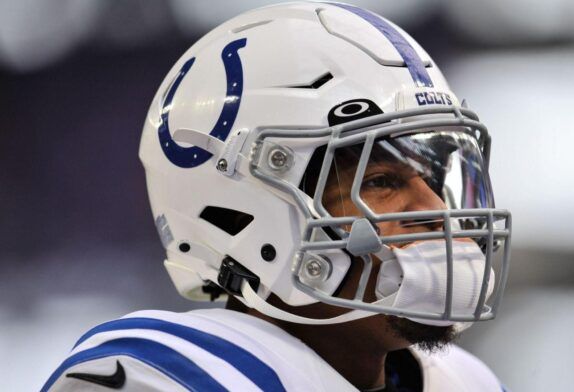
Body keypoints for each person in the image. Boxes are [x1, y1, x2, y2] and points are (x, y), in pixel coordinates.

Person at [42, 2, 512, 391]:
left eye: (432, 178)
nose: (435, 208)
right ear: (244, 212)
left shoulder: (462, 381)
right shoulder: (175, 375)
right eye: (381, 182)